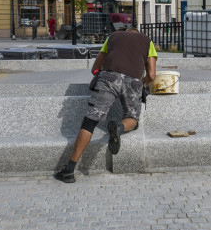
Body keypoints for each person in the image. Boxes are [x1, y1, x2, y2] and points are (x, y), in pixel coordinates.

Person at [54, 27, 157, 183]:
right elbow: (152, 75)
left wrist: (100, 75)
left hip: (108, 77)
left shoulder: (114, 36)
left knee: (90, 122)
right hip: (133, 82)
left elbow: (95, 68)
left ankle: (69, 170)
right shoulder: (147, 41)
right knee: (132, 119)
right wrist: (142, 84)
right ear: (138, 34)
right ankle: (119, 127)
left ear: (127, 31)